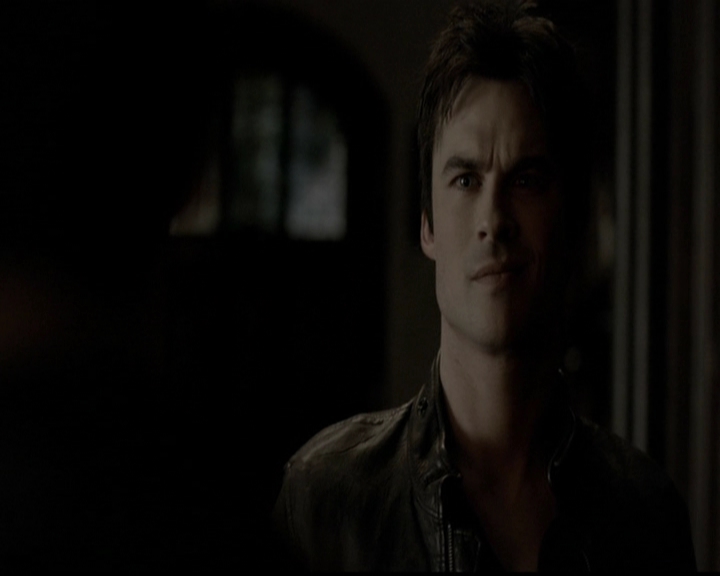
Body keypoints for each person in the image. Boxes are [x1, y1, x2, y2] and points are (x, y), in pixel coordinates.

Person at [273, 0, 696, 571]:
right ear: (427, 224)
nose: (493, 220)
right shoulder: (327, 502)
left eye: (526, 179)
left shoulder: (643, 515)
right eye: (466, 179)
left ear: (571, 220)